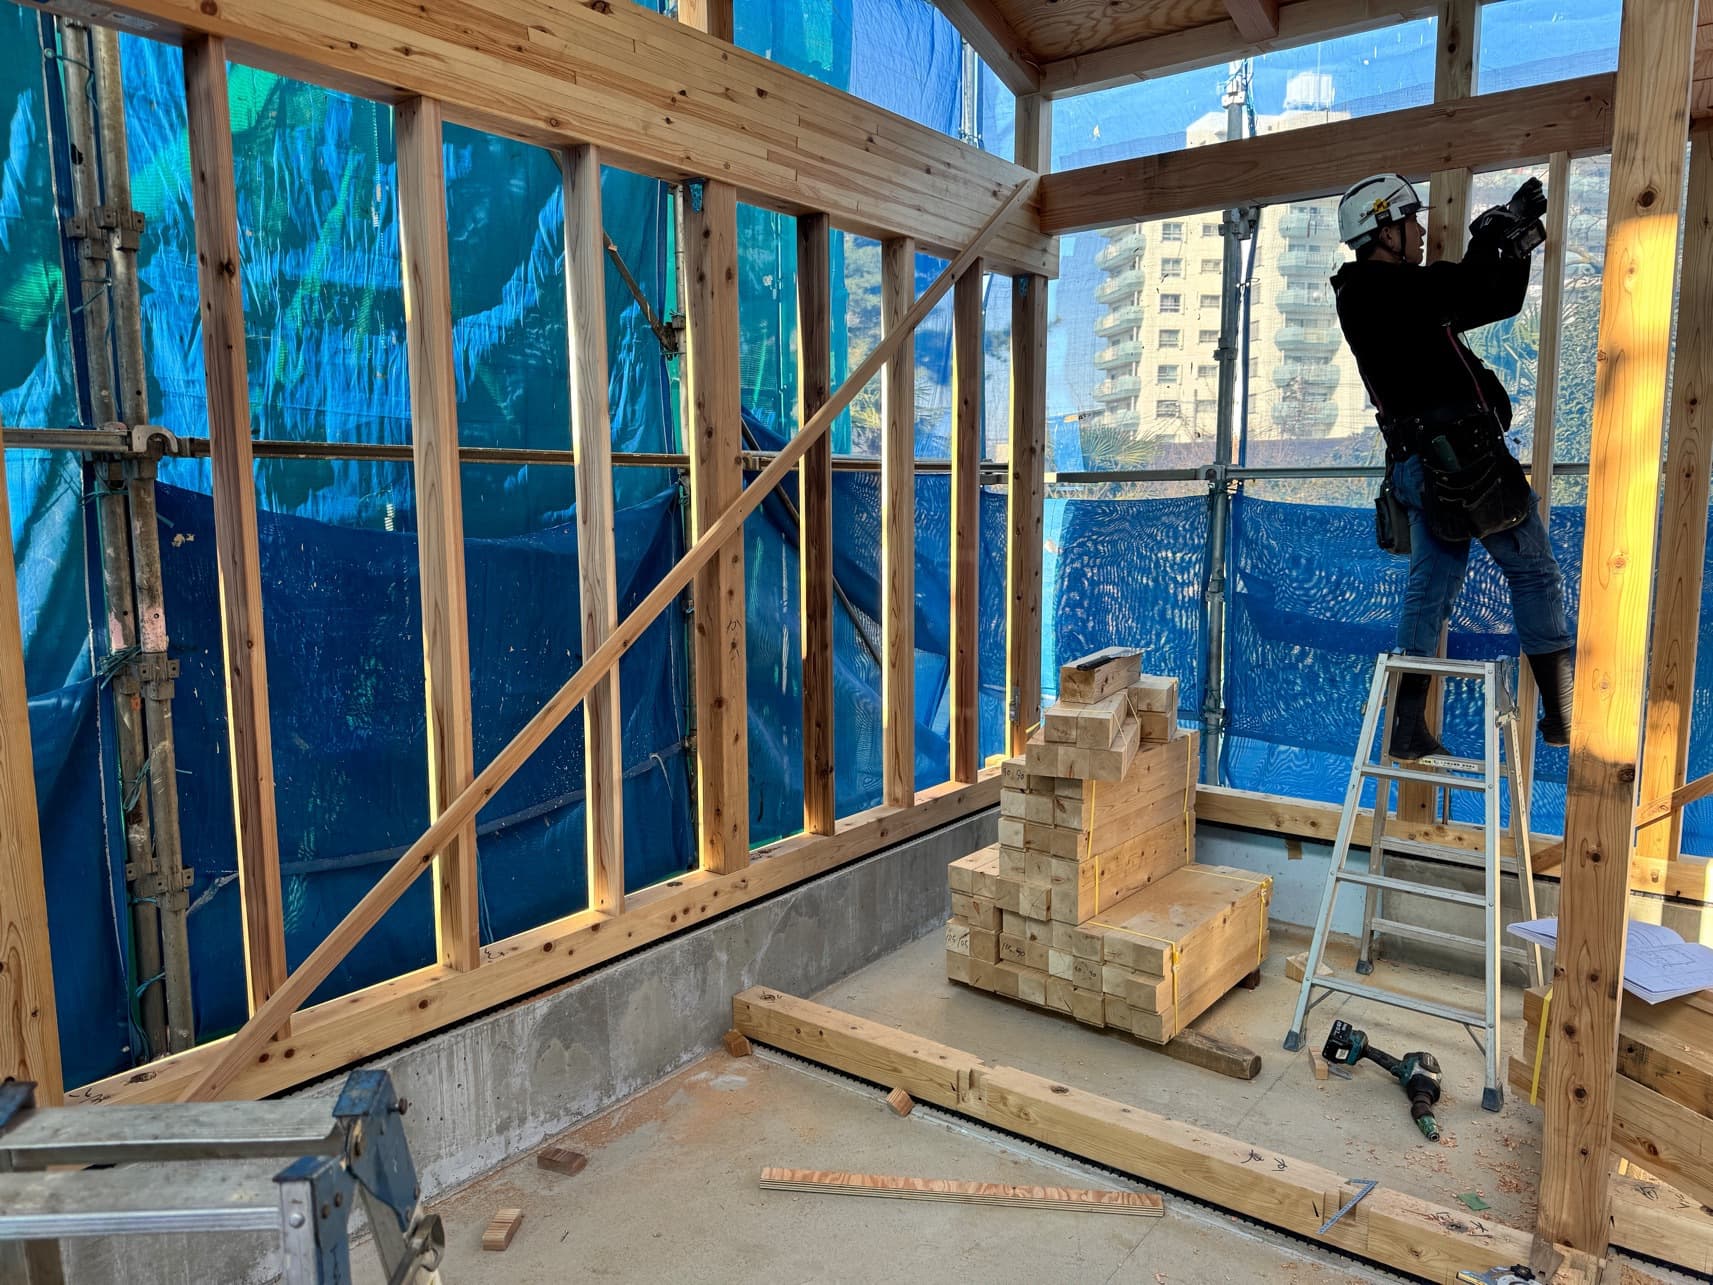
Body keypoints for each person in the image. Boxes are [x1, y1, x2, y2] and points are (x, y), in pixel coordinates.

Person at [1329, 172, 1573, 759]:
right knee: (1534, 571)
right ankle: (1564, 713)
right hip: (1464, 465)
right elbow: (1460, 286)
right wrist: (1490, 237)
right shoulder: (1376, 291)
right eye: (1410, 222)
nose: (1419, 232)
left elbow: (1491, 298)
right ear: (1383, 232)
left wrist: (1510, 246)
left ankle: (1406, 726)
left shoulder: (1390, 298)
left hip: (1427, 466)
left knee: (1431, 590)